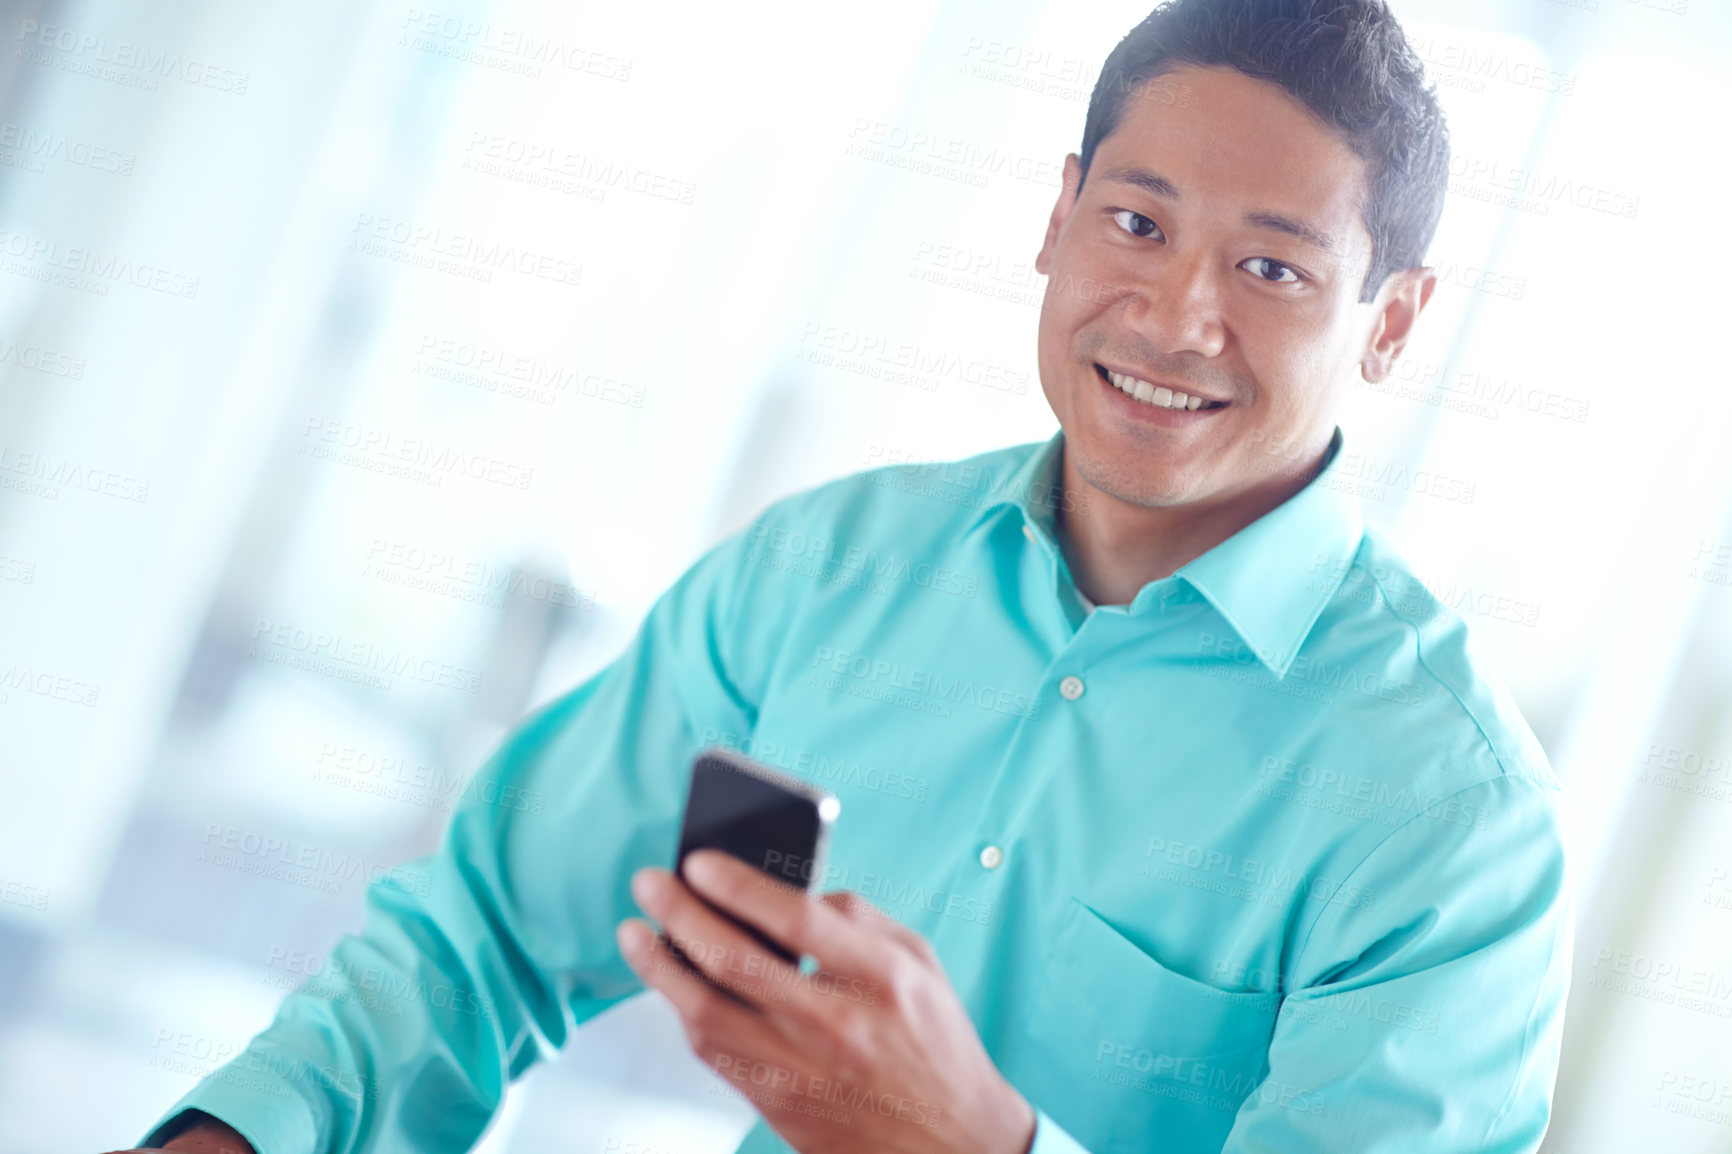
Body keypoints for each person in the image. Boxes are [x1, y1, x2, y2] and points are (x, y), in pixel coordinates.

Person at [118, 1, 1572, 1151]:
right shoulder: (826, 572)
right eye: (1136, 224)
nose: (1178, 312)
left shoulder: (1451, 823)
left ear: (1392, 322)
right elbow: (488, 935)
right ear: (1057, 218)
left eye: (1272, 270)